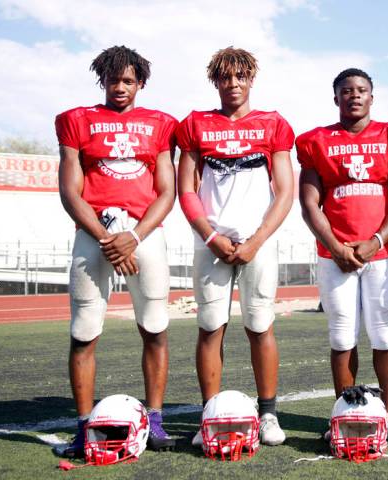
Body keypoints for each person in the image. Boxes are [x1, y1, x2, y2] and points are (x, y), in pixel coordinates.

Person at [54, 45, 178, 457]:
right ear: (102, 80)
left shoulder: (160, 124)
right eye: (113, 79)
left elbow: (167, 191)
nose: (120, 87)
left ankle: (155, 420)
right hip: (94, 232)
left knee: (155, 326)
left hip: (144, 233)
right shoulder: (76, 120)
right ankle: (84, 425)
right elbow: (70, 192)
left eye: (128, 80)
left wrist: (135, 237)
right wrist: (108, 237)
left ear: (140, 82)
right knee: (84, 331)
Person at [176, 47, 294, 446]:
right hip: (212, 243)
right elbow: (186, 190)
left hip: (257, 244)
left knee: (260, 326)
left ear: (251, 79)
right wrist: (212, 237)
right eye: (226, 77)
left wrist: (257, 240)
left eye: (241, 76)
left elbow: (284, 191)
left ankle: (268, 414)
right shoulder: (195, 124)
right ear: (216, 81)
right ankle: (209, 414)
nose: (234, 84)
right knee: (210, 327)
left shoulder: (273, 124)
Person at [297, 68, 388, 447]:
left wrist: (376, 241)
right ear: (336, 98)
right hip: (336, 254)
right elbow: (309, 202)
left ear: (372, 96)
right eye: (346, 91)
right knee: (342, 335)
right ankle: (344, 413)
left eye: (361, 90)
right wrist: (336, 246)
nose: (354, 96)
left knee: (384, 333)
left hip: (381, 253)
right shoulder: (316, 140)